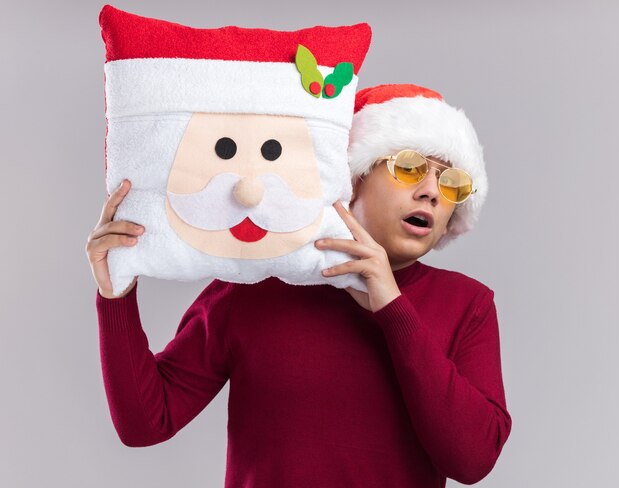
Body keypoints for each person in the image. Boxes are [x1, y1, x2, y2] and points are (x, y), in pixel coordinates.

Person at [85, 83, 512, 487]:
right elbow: (145, 423)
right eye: (408, 167)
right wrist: (116, 295)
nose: (431, 193)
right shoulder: (257, 284)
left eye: (451, 182)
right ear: (354, 177)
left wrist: (393, 310)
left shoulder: (467, 304)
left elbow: (472, 459)